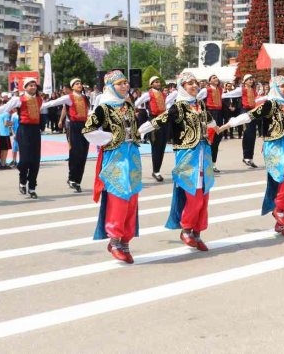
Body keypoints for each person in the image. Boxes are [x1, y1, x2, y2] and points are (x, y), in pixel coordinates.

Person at [141, 73, 215, 251]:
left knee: (203, 195)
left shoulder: (200, 104)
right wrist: (139, 131)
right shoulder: (178, 107)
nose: (194, 86)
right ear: (182, 86)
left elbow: (211, 121)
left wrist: (222, 126)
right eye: (189, 83)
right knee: (194, 194)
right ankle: (186, 229)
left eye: (195, 83)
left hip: (204, 154)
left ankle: (197, 232)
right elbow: (160, 120)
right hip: (188, 156)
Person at [221, 75, 284, 235]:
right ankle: (279, 210)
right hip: (274, 146)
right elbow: (250, 115)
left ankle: (281, 223)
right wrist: (227, 125)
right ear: (275, 88)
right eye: (282, 86)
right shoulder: (270, 104)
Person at [82, 70, 142, 264]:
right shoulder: (103, 108)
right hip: (115, 158)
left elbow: (132, 128)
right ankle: (114, 239)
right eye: (120, 84)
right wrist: (110, 139)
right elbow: (88, 130)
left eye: (126, 83)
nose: (125, 86)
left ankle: (126, 240)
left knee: (132, 198)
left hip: (132, 157)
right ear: (110, 87)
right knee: (119, 198)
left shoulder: (128, 105)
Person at [0, 77, 46, 198]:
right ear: (25, 87)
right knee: (25, 160)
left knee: (36, 160)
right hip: (24, 130)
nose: (33, 87)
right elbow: (3, 109)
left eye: (34, 85)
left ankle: (32, 187)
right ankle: (22, 180)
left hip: (35, 131)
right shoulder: (19, 100)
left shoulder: (39, 99)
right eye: (30, 85)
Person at [41, 78, 92, 192]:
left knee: (84, 153)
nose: (79, 85)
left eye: (80, 83)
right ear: (72, 87)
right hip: (74, 126)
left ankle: (77, 180)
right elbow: (53, 102)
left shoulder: (85, 98)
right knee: (75, 152)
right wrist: (40, 105)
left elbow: (89, 112)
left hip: (85, 126)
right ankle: (72, 178)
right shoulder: (69, 97)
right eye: (76, 84)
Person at [204, 75, 225, 173]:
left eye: (216, 77)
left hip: (219, 114)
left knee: (217, 138)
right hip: (210, 114)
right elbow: (198, 98)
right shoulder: (206, 90)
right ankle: (205, 164)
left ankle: (213, 164)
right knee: (209, 139)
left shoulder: (220, 90)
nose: (216, 79)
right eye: (213, 78)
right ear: (209, 81)